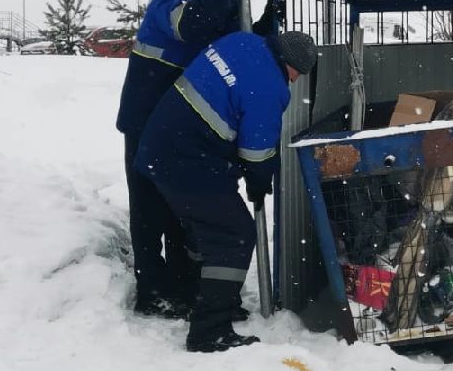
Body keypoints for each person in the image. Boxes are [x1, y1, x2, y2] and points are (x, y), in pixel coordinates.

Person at [134, 28, 318, 352]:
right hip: (185, 158)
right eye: (297, 74)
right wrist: (261, 183)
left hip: (161, 144)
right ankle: (210, 328)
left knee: (204, 227)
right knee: (234, 233)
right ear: (290, 64)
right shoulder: (269, 87)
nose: (294, 81)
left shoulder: (243, 42)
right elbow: (257, 152)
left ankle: (201, 295)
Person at [115, 0, 254, 317]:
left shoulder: (212, 1)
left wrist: (264, 23)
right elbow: (191, 25)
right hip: (144, 122)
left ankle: (182, 282)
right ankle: (152, 289)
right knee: (148, 213)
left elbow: (233, 49)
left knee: (181, 210)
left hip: (177, 131)